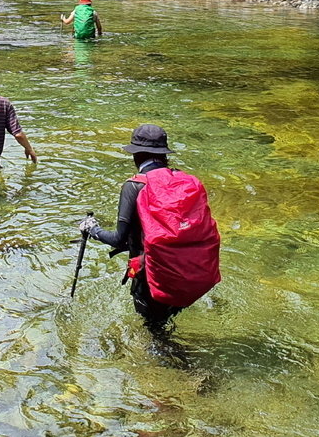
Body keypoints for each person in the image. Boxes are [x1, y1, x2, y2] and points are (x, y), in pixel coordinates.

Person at [79, 125, 221, 332]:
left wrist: (92, 230)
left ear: (136, 154)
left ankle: (174, 363)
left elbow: (119, 239)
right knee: (167, 319)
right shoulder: (185, 181)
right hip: (184, 272)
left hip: (153, 276)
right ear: (164, 154)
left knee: (153, 332)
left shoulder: (134, 186)